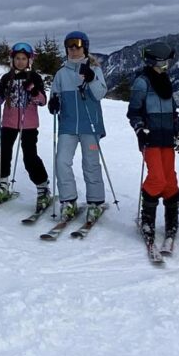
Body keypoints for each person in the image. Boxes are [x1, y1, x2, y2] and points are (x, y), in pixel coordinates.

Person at [127, 41, 179, 247]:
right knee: (157, 179)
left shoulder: (165, 80)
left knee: (170, 182)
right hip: (150, 139)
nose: (167, 66)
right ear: (154, 62)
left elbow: (173, 111)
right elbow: (133, 112)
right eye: (164, 62)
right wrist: (140, 129)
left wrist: (178, 131)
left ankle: (171, 221)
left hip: (167, 139)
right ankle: (147, 221)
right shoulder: (142, 83)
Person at [48, 31, 108, 223]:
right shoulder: (61, 73)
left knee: (90, 163)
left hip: (90, 126)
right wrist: (54, 103)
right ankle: (69, 200)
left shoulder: (94, 70)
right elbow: (54, 96)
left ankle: (95, 202)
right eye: (70, 47)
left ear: (85, 48)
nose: (73, 50)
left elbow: (100, 95)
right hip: (68, 125)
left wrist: (90, 79)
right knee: (61, 162)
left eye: (78, 47)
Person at [0, 42, 51, 210]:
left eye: (24, 58)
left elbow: (43, 101)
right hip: (9, 123)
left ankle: (43, 187)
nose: (20, 61)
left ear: (29, 60)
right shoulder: (6, 78)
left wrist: (32, 90)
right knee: (3, 153)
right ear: (12, 59)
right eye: (17, 58)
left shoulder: (35, 78)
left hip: (29, 125)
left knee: (30, 157)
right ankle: (2, 184)